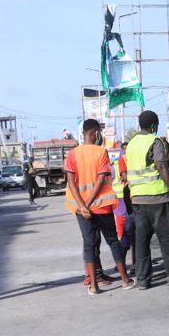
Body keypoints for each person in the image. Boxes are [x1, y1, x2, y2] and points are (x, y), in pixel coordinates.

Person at [65, 119, 133, 295]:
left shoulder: (72, 154)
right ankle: (125, 280)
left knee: (89, 244)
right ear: (94, 132)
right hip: (101, 206)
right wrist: (88, 204)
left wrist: (82, 206)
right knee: (112, 241)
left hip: (81, 210)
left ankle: (93, 286)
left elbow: (71, 182)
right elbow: (101, 178)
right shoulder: (101, 152)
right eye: (99, 132)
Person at [126, 110, 169, 289]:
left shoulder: (131, 144)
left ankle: (143, 280)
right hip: (157, 198)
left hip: (137, 199)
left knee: (142, 242)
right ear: (153, 126)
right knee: (166, 238)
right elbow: (161, 166)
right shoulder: (155, 141)